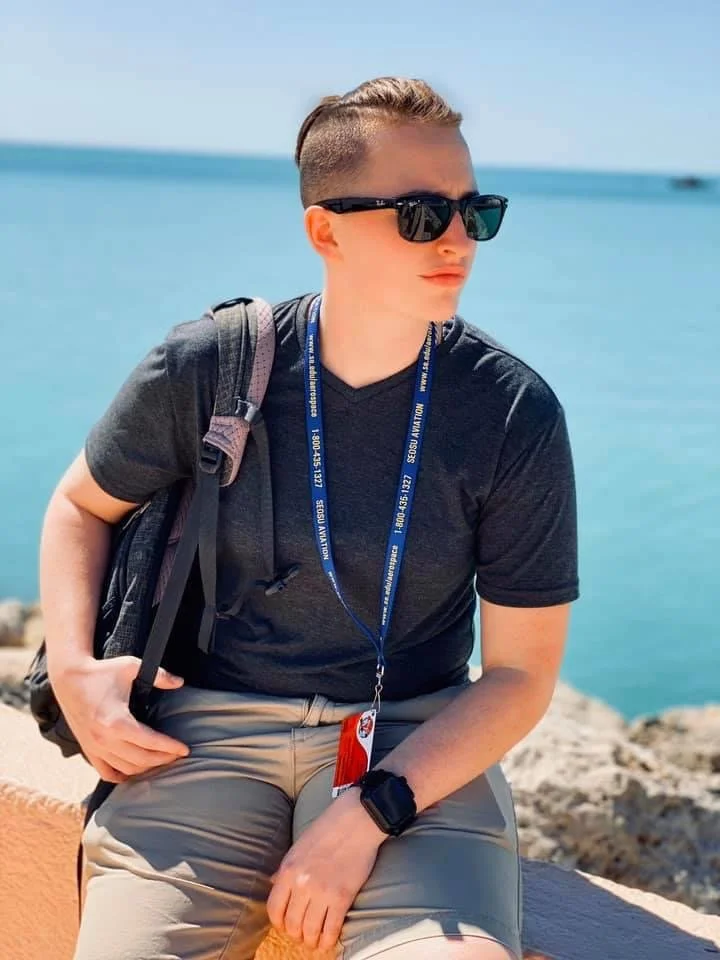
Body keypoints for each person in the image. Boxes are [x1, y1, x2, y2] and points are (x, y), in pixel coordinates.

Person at [39, 76, 579, 960]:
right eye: (418, 215)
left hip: (413, 741)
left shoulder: (511, 412)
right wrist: (73, 670)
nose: (456, 241)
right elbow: (79, 505)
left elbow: (519, 679)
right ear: (324, 229)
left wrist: (369, 814)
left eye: (473, 213)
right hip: (206, 736)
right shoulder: (210, 366)